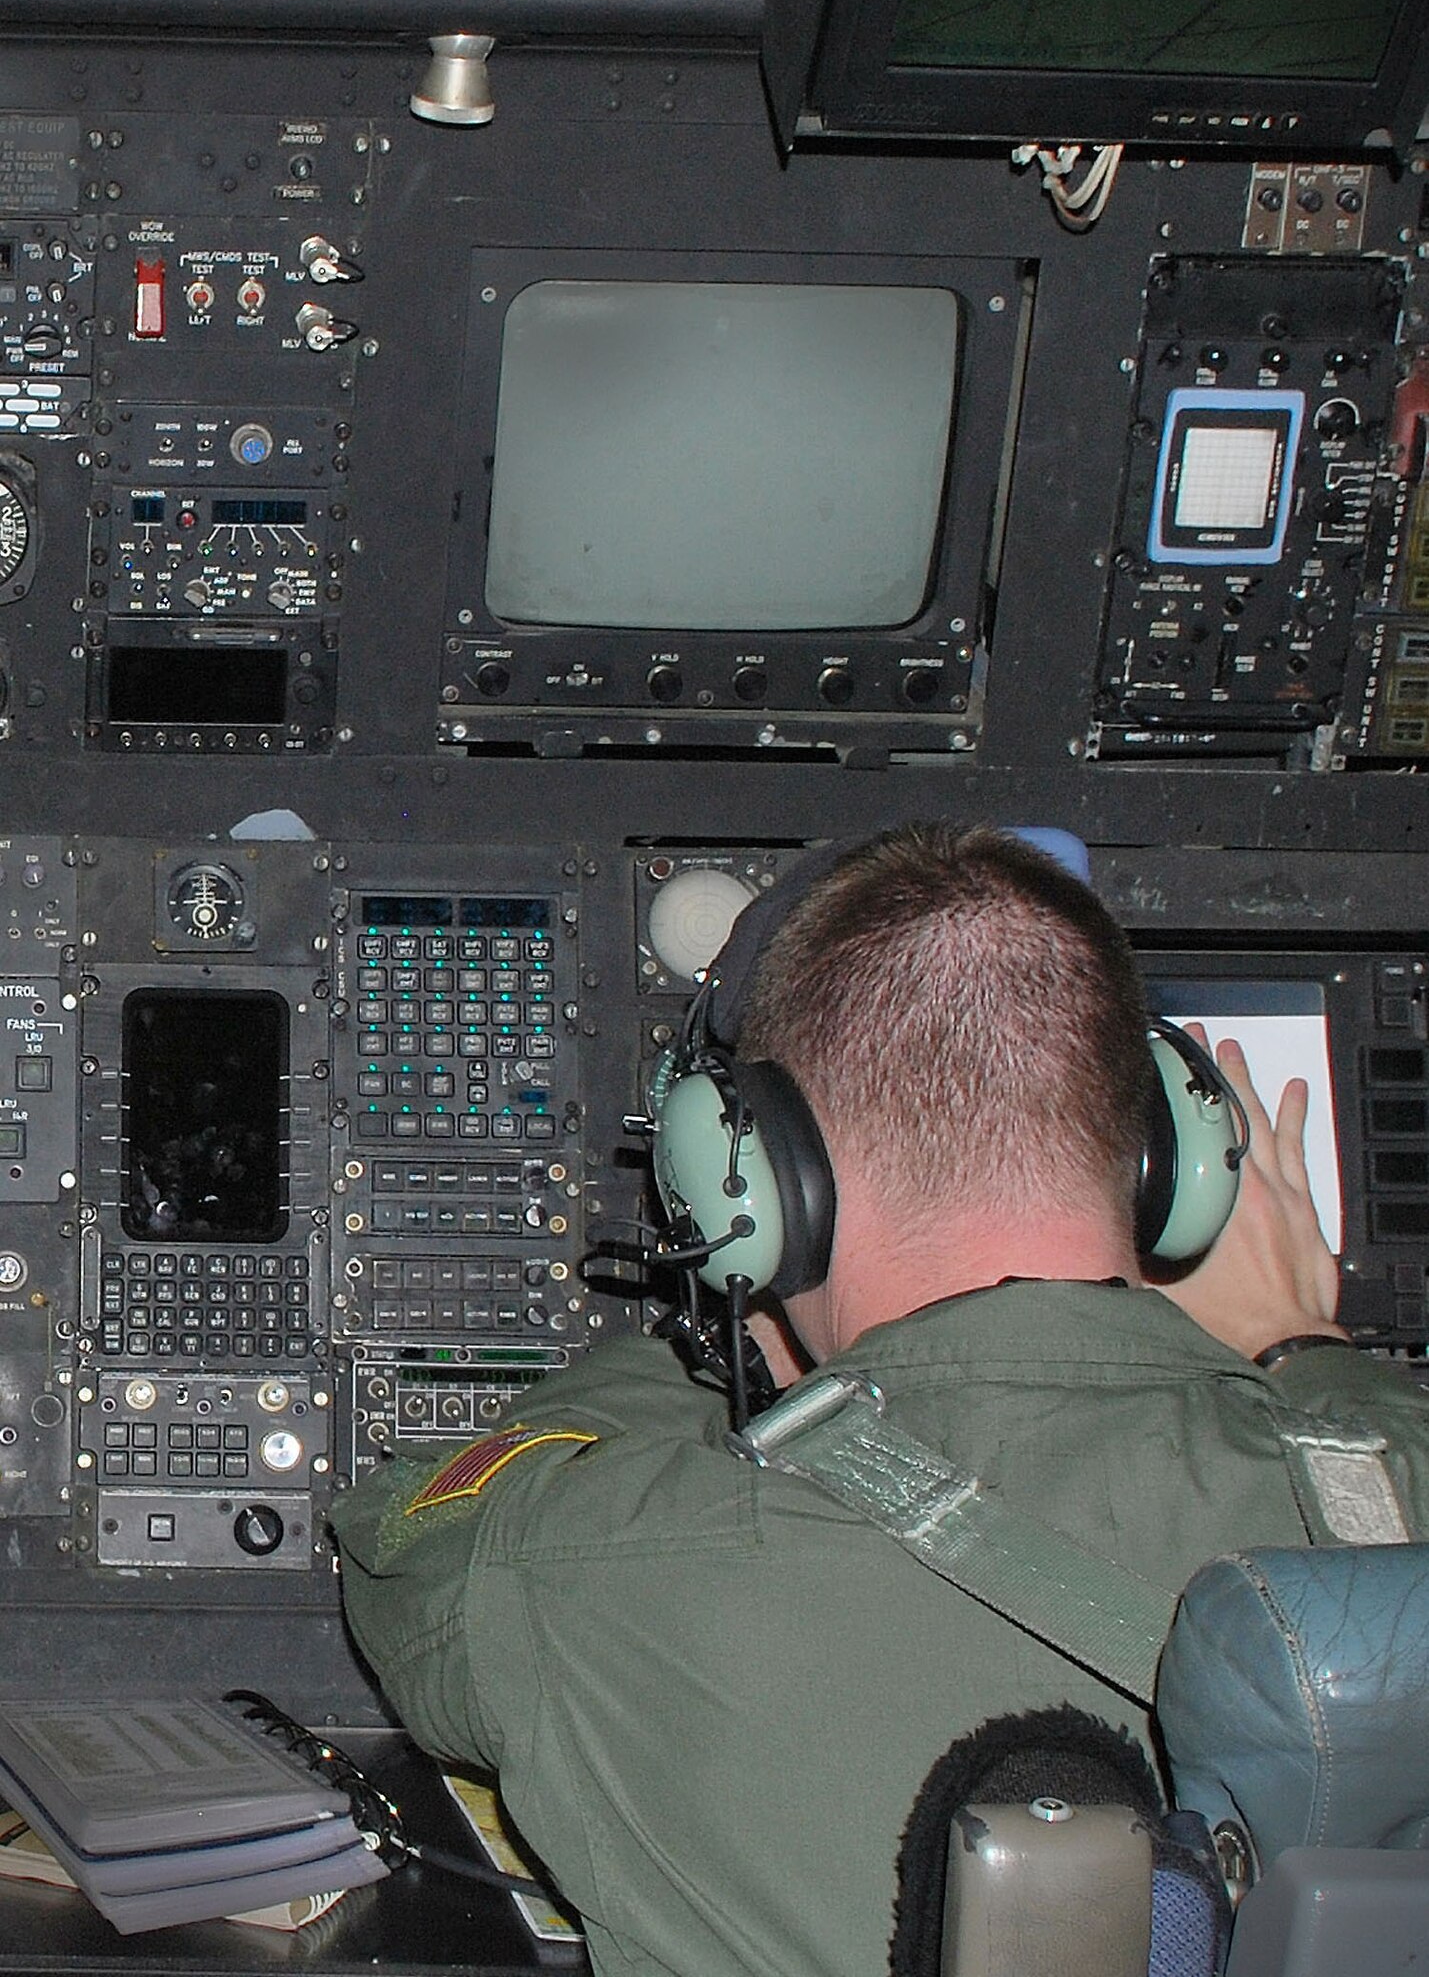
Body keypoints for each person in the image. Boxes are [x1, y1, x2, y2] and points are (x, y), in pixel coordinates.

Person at [329, 825, 1428, 1977]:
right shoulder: (1389, 1485)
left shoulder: (603, 1572)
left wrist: (727, 1336)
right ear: (1175, 1155)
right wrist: (1305, 1345)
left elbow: (404, 1539)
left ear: (745, 1184)